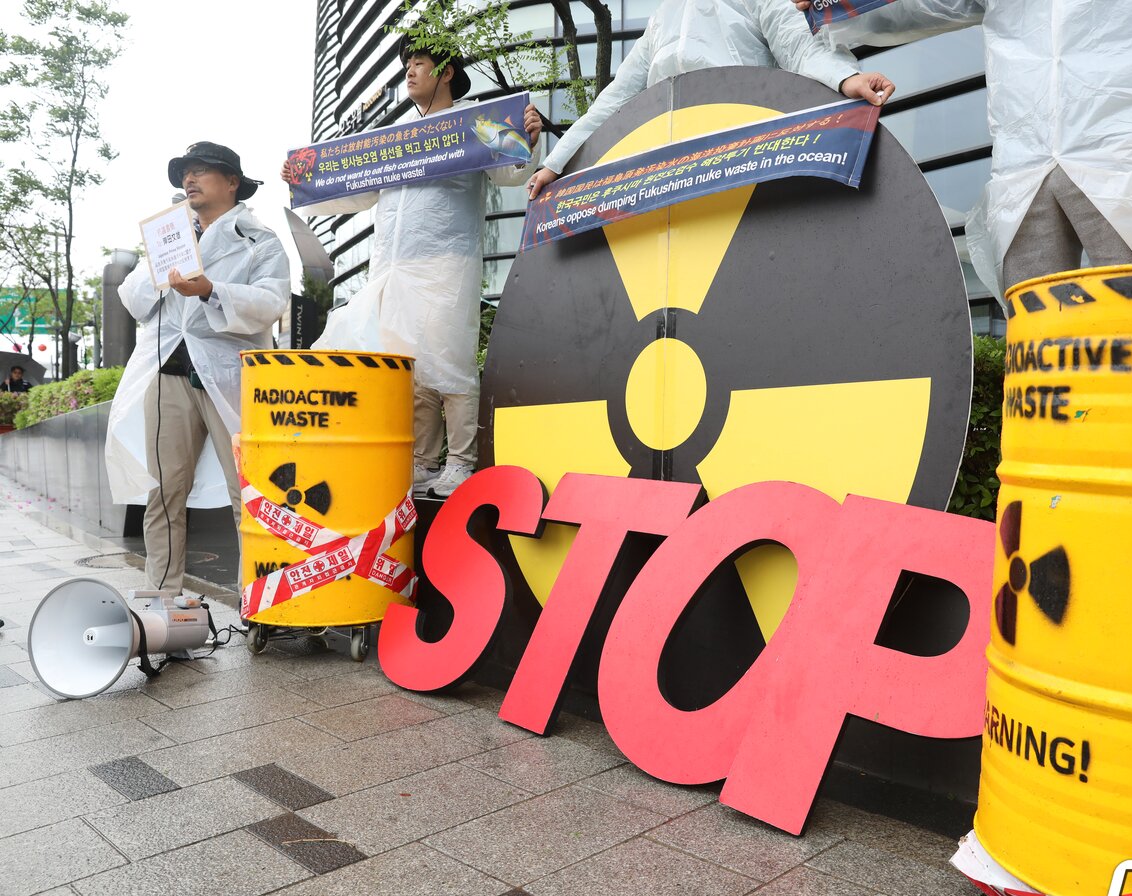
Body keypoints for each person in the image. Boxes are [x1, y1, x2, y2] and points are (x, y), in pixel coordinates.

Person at [792, 0, 1132, 301]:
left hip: (1127, 143)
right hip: (1026, 157)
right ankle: (1048, 450)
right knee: (1037, 333)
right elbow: (923, 5)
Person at [290, 40, 543, 500]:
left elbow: (510, 173)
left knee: (450, 362)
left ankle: (462, 462)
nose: (409, 72)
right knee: (411, 366)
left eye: (419, 64)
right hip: (392, 267)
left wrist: (531, 138)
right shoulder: (392, 139)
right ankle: (424, 462)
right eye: (407, 65)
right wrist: (306, 183)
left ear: (445, 72)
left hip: (446, 263)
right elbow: (359, 194)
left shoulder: (474, 121)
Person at [106, 142, 291, 593]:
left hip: (230, 378)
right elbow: (132, 299)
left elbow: (271, 301)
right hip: (166, 375)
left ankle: (260, 598)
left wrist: (211, 291)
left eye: (203, 171)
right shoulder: (169, 235)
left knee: (247, 491)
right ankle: (162, 595)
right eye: (186, 172)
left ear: (232, 182)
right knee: (164, 492)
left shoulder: (259, 240)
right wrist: (161, 270)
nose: (190, 179)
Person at [525, 0, 897, 200]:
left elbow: (798, 43)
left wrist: (846, 77)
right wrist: (555, 163)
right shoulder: (660, 19)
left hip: (742, 152)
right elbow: (615, 99)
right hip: (664, 164)